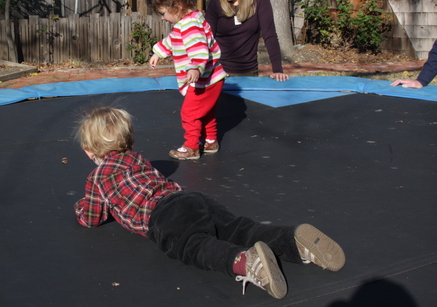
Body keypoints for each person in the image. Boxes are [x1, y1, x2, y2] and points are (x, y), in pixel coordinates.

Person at [74, 107, 346, 300]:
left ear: (88, 151)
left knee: (193, 245)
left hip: (162, 216)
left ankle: (244, 262)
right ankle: (292, 241)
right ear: (130, 141)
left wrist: (81, 207)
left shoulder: (97, 178)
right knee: (240, 228)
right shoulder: (138, 159)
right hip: (189, 199)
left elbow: (90, 218)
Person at [147, 0, 227, 160]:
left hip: (204, 78)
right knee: (205, 110)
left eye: (163, 13)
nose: (163, 18)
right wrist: (158, 52)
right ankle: (210, 141)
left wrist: (195, 68)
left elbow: (199, 48)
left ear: (177, 5)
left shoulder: (190, 25)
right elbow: (173, 40)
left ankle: (192, 147)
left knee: (190, 112)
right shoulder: (190, 19)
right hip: (213, 77)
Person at [205, 0, 289, 81]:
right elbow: (206, 38)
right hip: (220, 72)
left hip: (249, 72)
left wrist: (277, 70)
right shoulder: (215, 3)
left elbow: (270, 35)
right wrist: (211, 70)